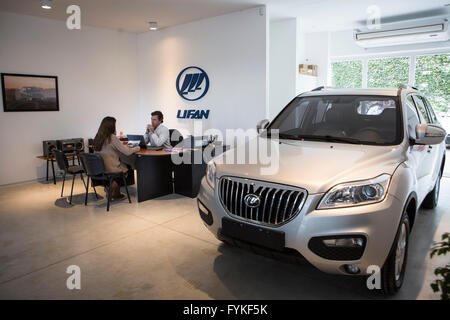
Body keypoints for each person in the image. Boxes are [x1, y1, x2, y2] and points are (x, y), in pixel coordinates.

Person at [93, 116, 140, 199]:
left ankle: (112, 188)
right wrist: (137, 148)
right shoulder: (112, 137)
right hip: (111, 169)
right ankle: (114, 187)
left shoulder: (97, 137)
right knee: (128, 168)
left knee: (123, 165)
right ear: (111, 126)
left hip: (100, 169)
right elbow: (127, 152)